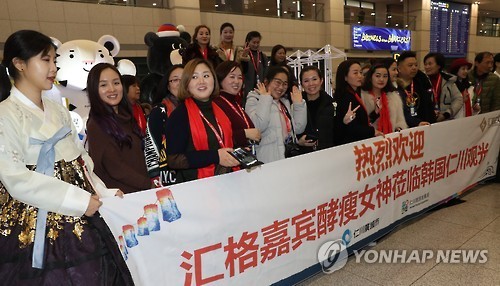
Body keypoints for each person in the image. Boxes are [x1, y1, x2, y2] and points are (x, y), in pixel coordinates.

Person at [0, 30, 133, 284]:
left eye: (54, 61)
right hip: (35, 223)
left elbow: (81, 161)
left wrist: (103, 192)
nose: (53, 68)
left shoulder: (58, 111)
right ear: (19, 64)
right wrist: (79, 200)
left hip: (83, 213)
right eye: (45, 60)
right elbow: (16, 179)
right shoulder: (5, 115)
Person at [165, 58, 239, 183]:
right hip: (197, 187)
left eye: (206, 75)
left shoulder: (221, 110)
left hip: (227, 181)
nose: (201, 81)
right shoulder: (180, 115)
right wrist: (215, 156)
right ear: (186, 83)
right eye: (194, 77)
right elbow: (174, 159)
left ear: (214, 80)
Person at [86, 63, 151, 194]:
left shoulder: (126, 116)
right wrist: (148, 184)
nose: (112, 89)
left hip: (140, 192)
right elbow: (115, 167)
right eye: (103, 85)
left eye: (116, 83)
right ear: (94, 89)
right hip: (122, 198)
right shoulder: (96, 124)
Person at [245, 66, 307, 163]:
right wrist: (265, 98)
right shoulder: (254, 99)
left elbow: (298, 129)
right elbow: (258, 126)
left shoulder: (284, 102)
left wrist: (298, 105)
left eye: (285, 84)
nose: (281, 87)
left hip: (288, 158)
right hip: (268, 160)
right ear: (266, 81)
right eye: (278, 82)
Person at [144, 64, 184, 186]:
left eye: (185, 79)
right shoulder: (159, 111)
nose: (180, 83)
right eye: (175, 80)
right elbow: (150, 147)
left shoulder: (198, 110)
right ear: (168, 85)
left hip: (195, 175)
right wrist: (155, 178)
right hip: (169, 178)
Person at [333, 60, 383, 146]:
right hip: (349, 146)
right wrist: (373, 131)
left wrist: (375, 113)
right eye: (355, 73)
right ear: (345, 77)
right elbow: (352, 127)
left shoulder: (355, 94)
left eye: (360, 72)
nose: (360, 76)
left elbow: (360, 120)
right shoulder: (345, 97)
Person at [214, 61, 261, 149]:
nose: (237, 81)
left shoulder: (235, 102)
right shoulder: (216, 104)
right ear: (220, 78)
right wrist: (245, 134)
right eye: (232, 77)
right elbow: (218, 137)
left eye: (240, 77)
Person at [297, 65, 336, 153]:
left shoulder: (331, 103)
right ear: (302, 84)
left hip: (327, 153)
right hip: (303, 154)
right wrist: (298, 141)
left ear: (321, 80)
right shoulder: (296, 104)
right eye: (306, 81)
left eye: (314, 79)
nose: (311, 84)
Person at [361, 63, 407, 134]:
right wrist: (375, 113)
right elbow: (362, 124)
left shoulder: (394, 97)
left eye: (385, 76)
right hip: (370, 139)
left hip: (390, 139)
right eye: (377, 76)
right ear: (370, 77)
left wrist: (398, 128)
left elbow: (400, 120)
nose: (381, 79)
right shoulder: (362, 96)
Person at [396, 51, 436, 127]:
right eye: (410, 65)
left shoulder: (421, 83)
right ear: (399, 68)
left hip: (424, 125)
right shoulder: (395, 87)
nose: (414, 68)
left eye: (416, 65)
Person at [423, 52, 463, 121]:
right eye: (425, 64)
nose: (427, 67)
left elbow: (458, 99)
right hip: (426, 121)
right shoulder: (421, 80)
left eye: (430, 64)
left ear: (439, 65)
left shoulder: (449, 80)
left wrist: (447, 114)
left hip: (445, 121)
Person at [241, 31, 268, 102]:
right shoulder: (242, 55)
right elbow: (242, 70)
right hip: (247, 90)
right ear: (247, 42)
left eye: (258, 42)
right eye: (253, 42)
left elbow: (266, 72)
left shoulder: (262, 56)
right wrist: (244, 57)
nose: (256, 45)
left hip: (260, 91)